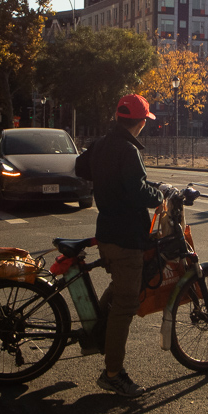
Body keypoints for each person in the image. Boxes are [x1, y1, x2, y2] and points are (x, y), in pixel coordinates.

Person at [75, 94, 163, 397]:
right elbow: (138, 191)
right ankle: (113, 374)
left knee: (120, 287)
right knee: (125, 304)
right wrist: (159, 196)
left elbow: (80, 168)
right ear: (140, 123)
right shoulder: (127, 149)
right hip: (126, 236)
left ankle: (94, 335)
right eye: (145, 122)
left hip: (107, 233)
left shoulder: (102, 144)